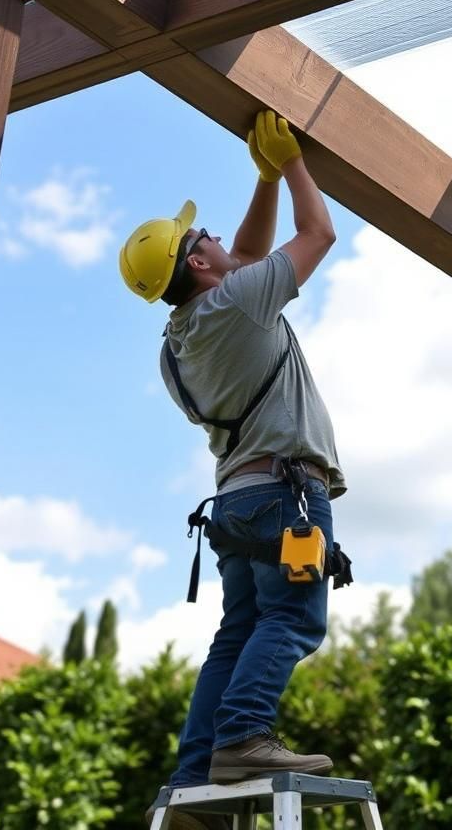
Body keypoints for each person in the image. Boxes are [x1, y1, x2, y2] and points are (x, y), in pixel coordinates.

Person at [121, 111, 346, 829]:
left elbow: (245, 253)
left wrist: (264, 175)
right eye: (203, 234)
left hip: (234, 505)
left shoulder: (179, 340)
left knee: (239, 629)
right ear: (196, 263)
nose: (215, 234)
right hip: (287, 498)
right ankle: (246, 736)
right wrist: (298, 166)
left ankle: (198, 769)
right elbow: (320, 235)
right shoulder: (238, 306)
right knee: (293, 620)